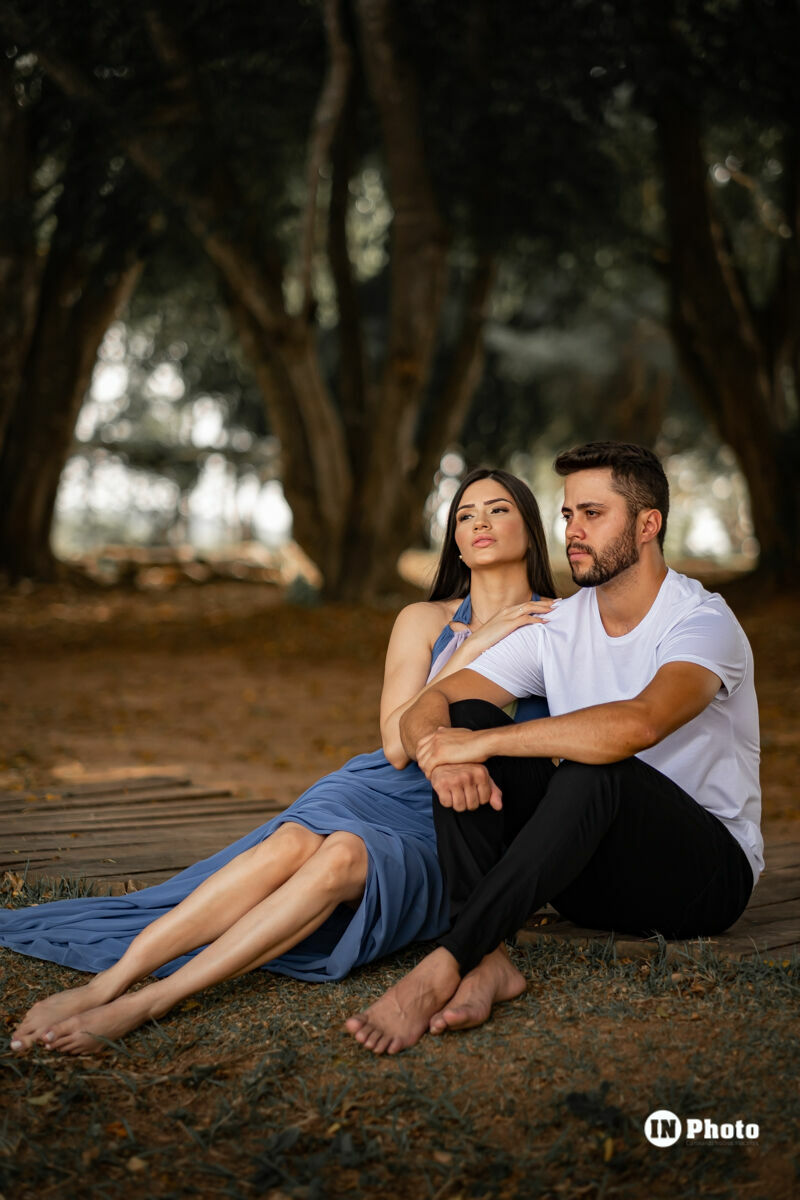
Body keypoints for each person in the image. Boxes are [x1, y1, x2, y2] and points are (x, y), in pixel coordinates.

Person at [5, 468, 557, 1055]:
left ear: (529, 524)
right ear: (453, 537)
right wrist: (471, 645)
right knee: (293, 844)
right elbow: (398, 744)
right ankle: (107, 986)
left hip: (461, 817)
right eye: (465, 515)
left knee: (343, 854)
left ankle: (147, 1004)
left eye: (497, 510)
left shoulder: (562, 623)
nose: (479, 523)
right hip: (380, 785)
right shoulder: (422, 620)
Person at [345, 441, 762, 1055]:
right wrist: (443, 745)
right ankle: (488, 962)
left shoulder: (701, 622)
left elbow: (638, 725)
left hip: (702, 879)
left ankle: (446, 962)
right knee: (467, 712)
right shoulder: (559, 623)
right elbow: (434, 704)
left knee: (599, 768)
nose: (573, 531)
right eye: (568, 515)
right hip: (586, 878)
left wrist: (477, 743)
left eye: (593, 514)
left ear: (649, 525)